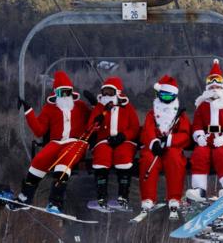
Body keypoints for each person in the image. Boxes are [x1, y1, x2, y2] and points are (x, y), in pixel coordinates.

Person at [9, 71, 91, 213]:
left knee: (64, 161)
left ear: (71, 92)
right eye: (61, 93)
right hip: (56, 142)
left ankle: (55, 202)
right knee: (39, 161)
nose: (65, 97)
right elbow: (39, 130)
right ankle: (25, 198)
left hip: (77, 142)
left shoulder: (81, 107)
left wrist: (96, 106)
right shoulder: (50, 109)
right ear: (56, 93)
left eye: (67, 92)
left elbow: (93, 121)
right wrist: (29, 112)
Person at [186, 59, 223, 201]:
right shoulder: (202, 106)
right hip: (207, 141)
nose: (214, 90)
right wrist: (199, 136)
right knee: (199, 154)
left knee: (221, 154)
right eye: (211, 87)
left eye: (217, 87)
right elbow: (197, 125)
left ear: (222, 87)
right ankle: (199, 189)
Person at [139, 75, 190, 219]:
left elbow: (185, 135)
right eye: (163, 97)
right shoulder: (152, 115)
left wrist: (170, 140)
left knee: (175, 159)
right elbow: (147, 131)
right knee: (148, 159)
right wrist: (153, 142)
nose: (165, 100)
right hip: (155, 148)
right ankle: (148, 198)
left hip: (171, 147)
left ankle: (174, 197)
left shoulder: (180, 116)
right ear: (158, 96)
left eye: (169, 97)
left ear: (174, 97)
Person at [88, 77, 140, 210]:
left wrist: (124, 136)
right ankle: (101, 196)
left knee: (123, 156)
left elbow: (134, 127)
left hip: (124, 140)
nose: (107, 95)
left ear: (117, 92)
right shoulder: (100, 108)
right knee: (101, 156)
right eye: (104, 92)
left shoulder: (126, 107)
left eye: (110, 92)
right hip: (104, 140)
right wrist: (97, 122)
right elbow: (90, 127)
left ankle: (123, 196)